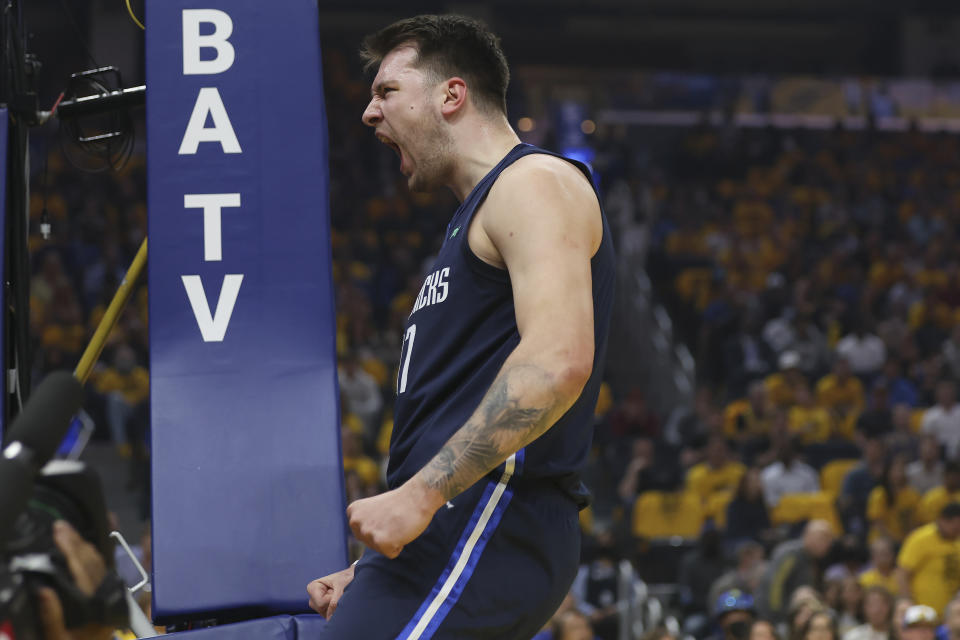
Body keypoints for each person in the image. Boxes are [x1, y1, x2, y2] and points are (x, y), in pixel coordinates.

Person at [307, 15, 615, 639]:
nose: (369, 113)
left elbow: (558, 360)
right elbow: (453, 407)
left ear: (451, 95)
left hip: (491, 513)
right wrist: (373, 565)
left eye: (386, 91)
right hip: (453, 526)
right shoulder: (469, 220)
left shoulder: (532, 183)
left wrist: (418, 499)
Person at [756, 520, 836, 624]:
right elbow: (775, 584)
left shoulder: (812, 559)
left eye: (829, 542)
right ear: (809, 536)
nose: (827, 546)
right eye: (824, 540)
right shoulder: (791, 554)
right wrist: (777, 616)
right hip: (775, 616)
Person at [896, 503, 960, 616]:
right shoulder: (920, 538)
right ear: (942, 520)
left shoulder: (957, 540)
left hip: (949, 614)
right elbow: (902, 574)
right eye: (955, 527)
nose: (957, 532)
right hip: (922, 612)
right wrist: (909, 603)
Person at [866, 454, 920, 543]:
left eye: (901, 469)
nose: (899, 473)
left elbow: (917, 521)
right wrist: (894, 541)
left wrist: (909, 539)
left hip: (905, 540)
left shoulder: (913, 494)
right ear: (887, 472)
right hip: (882, 540)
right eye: (895, 470)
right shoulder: (879, 494)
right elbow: (878, 525)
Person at [921, 380, 960, 460]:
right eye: (943, 392)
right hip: (939, 453)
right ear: (938, 394)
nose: (946, 395)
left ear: (953, 393)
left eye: (948, 392)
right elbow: (927, 438)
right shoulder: (931, 414)